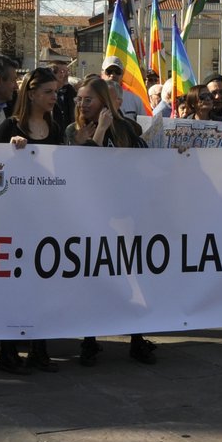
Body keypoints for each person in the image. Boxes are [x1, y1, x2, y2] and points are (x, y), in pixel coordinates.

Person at [66, 76, 155, 365]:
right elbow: (85, 168)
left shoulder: (125, 129)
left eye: (88, 99)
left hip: (123, 214)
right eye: (79, 99)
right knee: (93, 276)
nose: (82, 104)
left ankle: (137, 338)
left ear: (104, 102)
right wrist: (98, 132)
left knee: (131, 274)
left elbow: (140, 165)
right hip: (90, 214)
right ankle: (89, 341)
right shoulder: (72, 130)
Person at [0, 67, 67, 374]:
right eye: (48, 92)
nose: (54, 97)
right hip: (14, 218)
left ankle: (39, 349)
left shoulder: (55, 126)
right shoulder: (10, 126)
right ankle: (7, 350)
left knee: (43, 284)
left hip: (45, 217)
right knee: (13, 286)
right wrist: (12, 153)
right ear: (32, 93)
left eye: (55, 92)